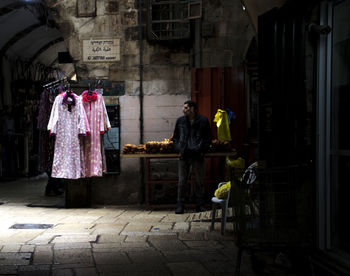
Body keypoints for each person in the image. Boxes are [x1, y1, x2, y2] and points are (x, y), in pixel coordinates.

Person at [172, 100, 212, 214]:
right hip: (184, 154)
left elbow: (208, 138)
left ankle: (200, 205)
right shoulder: (180, 121)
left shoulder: (203, 121)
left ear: (193, 109)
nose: (183, 110)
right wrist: (178, 149)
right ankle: (180, 206)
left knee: (199, 181)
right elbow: (175, 137)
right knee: (182, 181)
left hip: (197, 154)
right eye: (184, 107)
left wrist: (202, 150)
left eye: (186, 108)